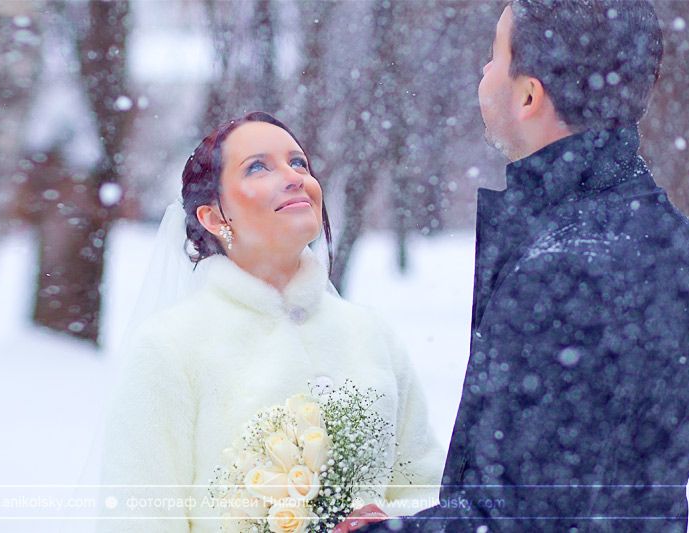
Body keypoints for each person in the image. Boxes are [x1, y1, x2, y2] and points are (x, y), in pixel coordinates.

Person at [361, 0, 689, 531]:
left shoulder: (563, 270)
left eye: (495, 54)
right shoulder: (679, 245)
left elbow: (517, 517)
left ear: (528, 95)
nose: (484, 69)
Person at [96, 111, 444, 532]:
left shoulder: (370, 334)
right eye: (258, 167)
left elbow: (426, 491)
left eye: (299, 163)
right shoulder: (170, 346)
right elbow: (138, 518)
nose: (295, 177)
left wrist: (392, 525)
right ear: (214, 217)